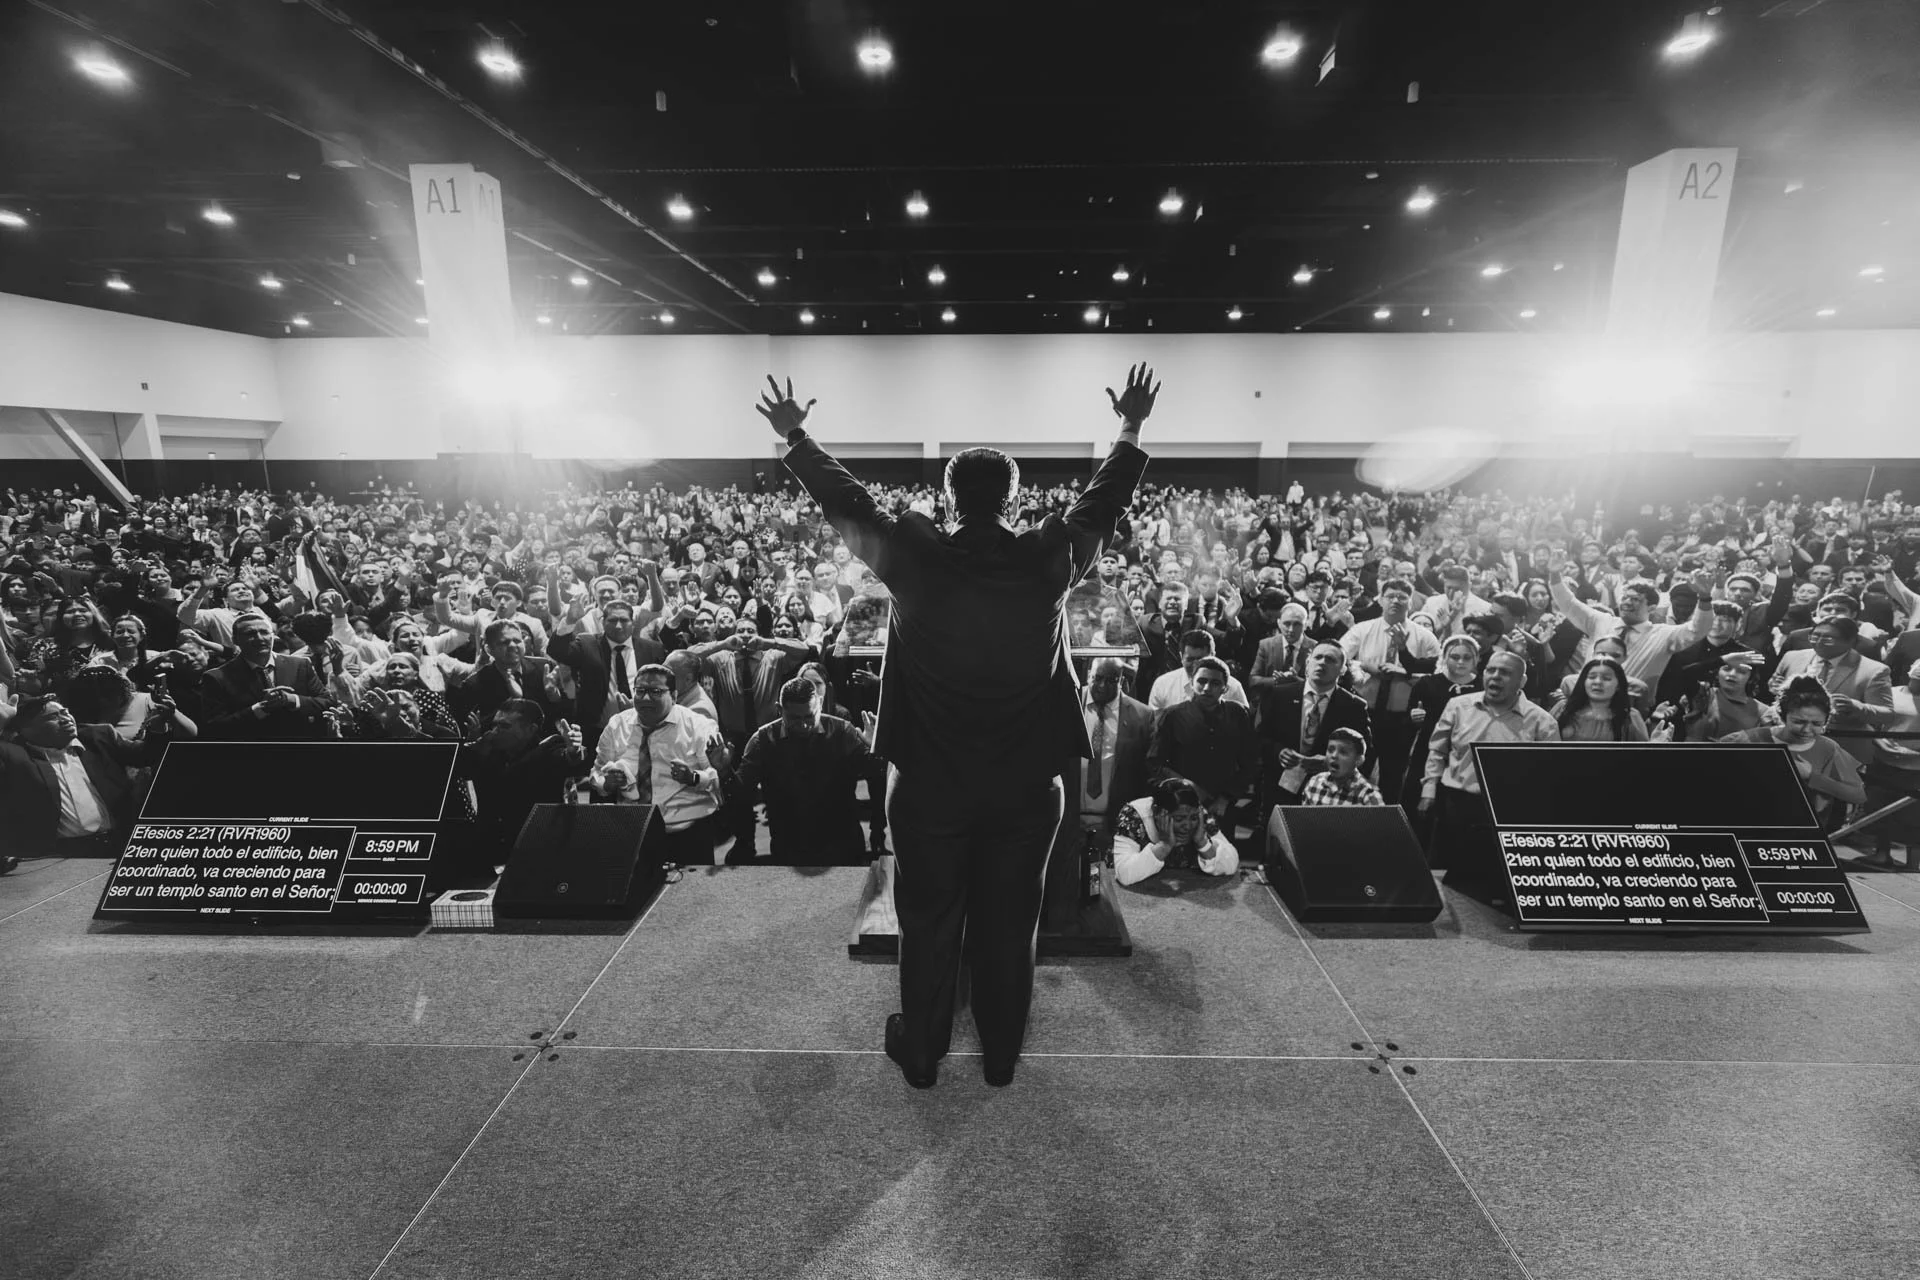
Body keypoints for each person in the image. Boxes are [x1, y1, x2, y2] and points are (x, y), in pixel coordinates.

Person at [765, 364, 1155, 1089]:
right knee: (1013, 926)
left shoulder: (914, 556)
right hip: (1026, 788)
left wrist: (796, 435)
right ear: (1013, 499)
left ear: (949, 499)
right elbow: (1101, 505)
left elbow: (846, 504)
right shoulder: (1048, 557)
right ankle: (1002, 1056)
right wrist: (1129, 428)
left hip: (930, 786)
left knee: (930, 921)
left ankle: (923, 1053)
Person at [1419, 650, 1558, 892]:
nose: (1495, 677)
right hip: (1456, 805)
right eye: (1490, 670)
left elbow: (1548, 775)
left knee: (1494, 886)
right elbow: (1437, 751)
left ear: (1521, 681)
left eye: (1504, 673)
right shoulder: (1458, 706)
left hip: (1507, 812)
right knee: (1447, 884)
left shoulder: (1542, 722)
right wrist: (1429, 790)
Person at [725, 677, 877, 865]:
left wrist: (877, 751)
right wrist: (724, 769)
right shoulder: (761, 741)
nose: (804, 725)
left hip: (842, 841)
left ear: (820, 704)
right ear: (780, 710)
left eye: (809, 717)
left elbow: (875, 776)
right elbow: (740, 794)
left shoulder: (843, 732)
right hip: (790, 845)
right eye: (795, 719)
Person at [0, 693, 172, 859]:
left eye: (65, 712)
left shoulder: (98, 737)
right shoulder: (12, 754)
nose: (66, 719)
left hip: (118, 843)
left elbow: (146, 755)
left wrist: (158, 726)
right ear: (26, 729)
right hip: (56, 856)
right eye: (53, 716)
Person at [589, 662, 727, 866]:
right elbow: (597, 774)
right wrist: (606, 784)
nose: (645, 698)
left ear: (673, 695)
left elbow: (717, 780)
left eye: (655, 691)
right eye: (640, 691)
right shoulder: (617, 725)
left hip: (686, 835)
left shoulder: (698, 725)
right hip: (632, 833)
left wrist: (694, 778)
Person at [455, 698, 586, 874]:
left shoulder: (548, 748)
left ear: (530, 729)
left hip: (537, 851)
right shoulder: (489, 750)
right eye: (495, 725)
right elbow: (463, 770)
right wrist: (473, 744)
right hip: (491, 852)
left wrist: (573, 752)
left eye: (505, 726)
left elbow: (565, 759)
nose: (496, 731)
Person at [1719, 678, 1866, 829]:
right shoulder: (1745, 740)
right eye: (1798, 722)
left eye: (1816, 724)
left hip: (1801, 834)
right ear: (1782, 715)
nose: (1807, 730)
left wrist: (1812, 776)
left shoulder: (1829, 749)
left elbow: (1857, 795)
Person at [1258, 642, 1373, 808]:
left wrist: (1332, 762)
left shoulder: (1354, 706)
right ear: (1307, 663)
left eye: (1330, 659)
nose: (1322, 662)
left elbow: (1365, 753)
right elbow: (1260, 738)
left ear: (1342, 670)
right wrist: (1279, 752)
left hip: (1328, 793)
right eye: (1318, 657)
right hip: (1280, 785)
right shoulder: (1279, 695)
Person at [1767, 617, 1893, 767]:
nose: (1818, 641)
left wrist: (1855, 707)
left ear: (1851, 641)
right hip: (1791, 743)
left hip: (1842, 748)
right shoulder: (1792, 657)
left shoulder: (1874, 670)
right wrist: (1775, 687)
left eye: (1828, 638)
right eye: (1815, 636)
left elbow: (1887, 714)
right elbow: (1775, 684)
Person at [1147, 655, 1257, 823]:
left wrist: (1226, 798)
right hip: (1179, 807)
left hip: (1223, 808)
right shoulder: (1173, 716)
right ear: (1192, 683)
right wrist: (1186, 786)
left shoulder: (1237, 714)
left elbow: (1249, 762)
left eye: (1215, 683)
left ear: (1225, 688)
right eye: (1201, 681)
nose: (1206, 688)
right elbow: (1155, 763)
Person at [198, 612, 332, 740]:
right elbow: (214, 727)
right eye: (250, 633)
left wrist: (292, 699)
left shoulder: (300, 665)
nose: (260, 638)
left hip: (300, 746)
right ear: (235, 640)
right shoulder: (217, 677)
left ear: (273, 635)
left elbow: (326, 702)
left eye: (264, 632)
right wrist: (260, 709)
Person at [1110, 775, 1239, 886]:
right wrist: (1164, 846)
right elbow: (1125, 875)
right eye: (1179, 819)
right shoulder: (1134, 815)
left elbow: (1231, 864)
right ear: (1157, 812)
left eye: (1192, 818)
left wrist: (1203, 843)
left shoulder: (1200, 815)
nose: (1187, 826)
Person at [1145, 629, 1251, 715]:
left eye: (1201, 660)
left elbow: (1244, 725)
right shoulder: (1163, 684)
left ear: (1213, 656)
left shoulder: (1233, 687)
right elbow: (1155, 726)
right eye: (1190, 659)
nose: (1196, 665)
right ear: (1181, 657)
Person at [1555, 657, 1650, 741]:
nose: (1598, 682)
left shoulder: (1630, 718)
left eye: (1606, 678)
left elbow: (1642, 754)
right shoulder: (1563, 709)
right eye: (1592, 677)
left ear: (1618, 685)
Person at [1301, 727, 1386, 806]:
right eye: (1330, 750)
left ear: (1359, 760)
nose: (1334, 755)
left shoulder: (1369, 795)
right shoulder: (1314, 783)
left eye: (1343, 752)